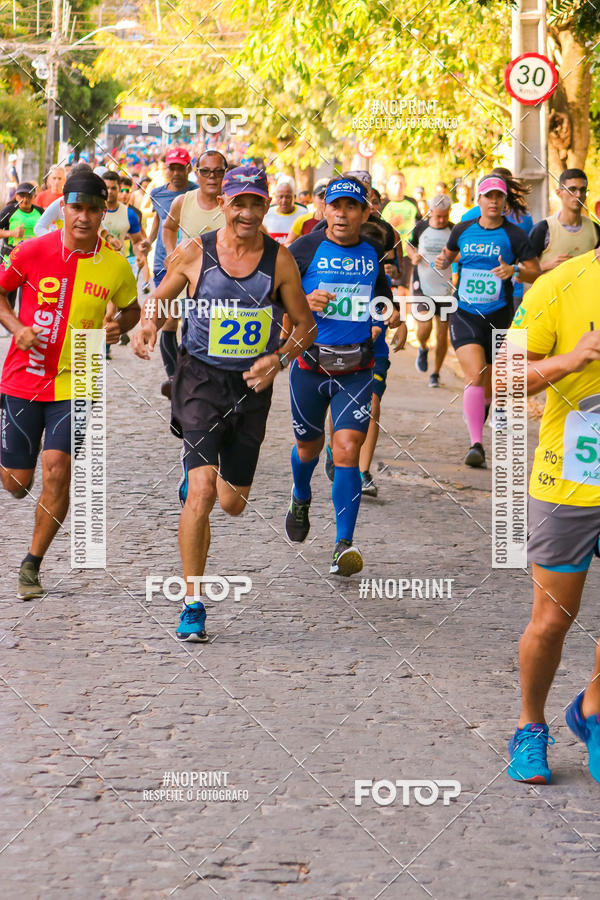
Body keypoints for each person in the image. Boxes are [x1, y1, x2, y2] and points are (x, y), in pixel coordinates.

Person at [132, 166, 314, 642]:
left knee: (232, 502)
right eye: (240, 202)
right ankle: (193, 601)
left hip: (252, 386)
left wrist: (278, 359)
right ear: (225, 203)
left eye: (258, 203)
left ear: (266, 205)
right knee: (203, 492)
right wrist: (150, 324)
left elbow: (304, 325)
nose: (248, 212)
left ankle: (205, 478)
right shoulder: (198, 251)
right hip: (199, 379)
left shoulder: (280, 261)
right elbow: (158, 296)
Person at [0, 171, 139, 599]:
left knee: (57, 469)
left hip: (78, 378)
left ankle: (32, 564)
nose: (83, 216)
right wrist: (16, 326)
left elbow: (131, 311)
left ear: (103, 213)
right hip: (23, 378)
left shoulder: (115, 264)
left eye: (93, 209)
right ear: (63, 208)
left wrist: (119, 327)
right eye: (76, 207)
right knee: (16, 483)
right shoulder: (30, 251)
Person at [504, 245, 600, 785]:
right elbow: (501, 381)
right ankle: (530, 726)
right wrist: (570, 359)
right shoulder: (558, 284)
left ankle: (593, 709)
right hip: (569, 481)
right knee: (552, 621)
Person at [285, 176, 399, 575]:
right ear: (323, 210)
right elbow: (270, 296)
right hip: (310, 367)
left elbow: (381, 298)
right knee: (308, 449)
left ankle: (343, 544)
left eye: (351, 206)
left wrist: (386, 318)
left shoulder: (372, 252)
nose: (342, 214)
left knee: (347, 448)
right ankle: (301, 495)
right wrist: (302, 299)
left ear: (364, 212)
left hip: (356, 369)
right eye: (335, 206)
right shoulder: (303, 249)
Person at [435, 173, 540, 468]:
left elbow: (536, 271)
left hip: (499, 315)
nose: (493, 202)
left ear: (505, 202)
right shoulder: (463, 229)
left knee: (490, 382)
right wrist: (443, 261)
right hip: (465, 313)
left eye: (499, 197)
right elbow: (449, 253)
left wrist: (515, 271)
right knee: (475, 375)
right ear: (478, 200)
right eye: (488, 196)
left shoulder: (515, 235)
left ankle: (482, 415)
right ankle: (476, 443)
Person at [147, 148, 197, 389]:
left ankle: (187, 371)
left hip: (193, 266)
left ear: (189, 168)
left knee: (190, 318)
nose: (176, 172)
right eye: (172, 167)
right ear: (166, 168)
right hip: (163, 265)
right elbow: (159, 223)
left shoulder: (197, 192)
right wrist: (147, 241)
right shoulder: (157, 193)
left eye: (181, 167)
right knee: (168, 320)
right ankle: (173, 377)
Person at [406, 193, 454, 387]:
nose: (441, 220)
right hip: (422, 283)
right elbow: (409, 244)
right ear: (430, 211)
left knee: (442, 334)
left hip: (445, 287)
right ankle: (423, 347)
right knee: (424, 328)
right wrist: (413, 255)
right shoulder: (421, 227)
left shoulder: (454, 230)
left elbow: (460, 253)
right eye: (437, 216)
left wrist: (451, 259)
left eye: (445, 216)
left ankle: (435, 373)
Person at [529, 168, 600, 272]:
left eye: (582, 190)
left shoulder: (595, 229)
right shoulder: (543, 229)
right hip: (551, 288)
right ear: (559, 192)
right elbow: (521, 272)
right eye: (572, 189)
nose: (578, 195)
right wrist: (546, 265)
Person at [381, 172, 421, 295]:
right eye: (395, 183)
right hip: (388, 252)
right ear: (388, 185)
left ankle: (404, 314)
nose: (398, 186)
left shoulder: (412, 202)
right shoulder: (383, 204)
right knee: (387, 286)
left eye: (401, 183)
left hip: (406, 251)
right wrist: (390, 224)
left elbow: (420, 224)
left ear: (405, 185)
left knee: (404, 288)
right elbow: (376, 229)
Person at [285, 179, 328, 244]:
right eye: (320, 197)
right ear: (313, 198)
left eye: (326, 197)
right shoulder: (302, 220)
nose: (323, 201)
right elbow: (287, 243)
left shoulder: (337, 222)